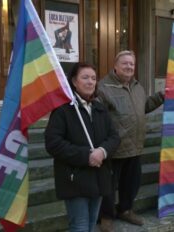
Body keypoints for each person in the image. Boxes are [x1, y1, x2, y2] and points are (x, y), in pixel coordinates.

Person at [45, 62, 121, 232]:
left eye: (93, 78)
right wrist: (86, 155)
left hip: (99, 178)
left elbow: (114, 137)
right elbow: (53, 143)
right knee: (79, 227)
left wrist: (102, 151)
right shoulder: (63, 110)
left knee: (91, 224)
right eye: (85, 77)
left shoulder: (100, 109)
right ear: (74, 81)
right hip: (75, 179)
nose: (90, 82)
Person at [97, 50, 164, 231]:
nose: (129, 67)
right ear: (115, 66)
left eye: (132, 64)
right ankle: (106, 215)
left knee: (131, 183)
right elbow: (97, 117)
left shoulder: (137, 87)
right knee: (108, 187)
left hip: (135, 146)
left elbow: (144, 107)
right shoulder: (104, 87)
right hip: (114, 147)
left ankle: (125, 210)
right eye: (125, 63)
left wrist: (161, 96)